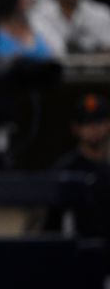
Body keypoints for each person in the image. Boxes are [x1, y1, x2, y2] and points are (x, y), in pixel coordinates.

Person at [44, 94, 110, 242]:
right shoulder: (64, 170)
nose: (93, 128)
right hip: (77, 256)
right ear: (76, 128)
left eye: (99, 121)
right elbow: (49, 226)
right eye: (86, 122)